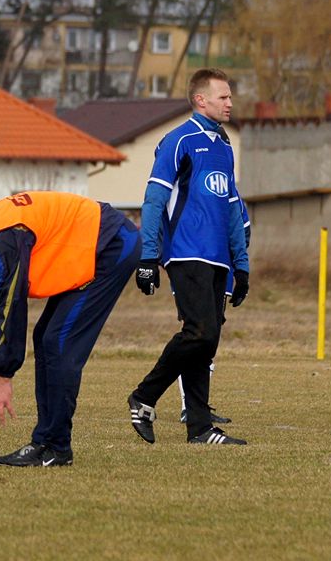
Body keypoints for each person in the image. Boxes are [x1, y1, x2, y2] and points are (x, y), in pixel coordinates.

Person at [0, 191, 141, 466]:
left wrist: (5, 376)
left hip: (112, 243)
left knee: (58, 343)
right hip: (90, 245)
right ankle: (44, 443)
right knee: (45, 338)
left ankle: (56, 448)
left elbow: (14, 302)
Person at [128, 68, 249, 446]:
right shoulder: (177, 140)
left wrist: (241, 265)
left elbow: (232, 209)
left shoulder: (224, 147)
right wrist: (148, 257)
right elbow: (154, 201)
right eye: (223, 97)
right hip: (185, 253)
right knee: (199, 332)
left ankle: (200, 428)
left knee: (207, 342)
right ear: (201, 100)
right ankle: (144, 396)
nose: (230, 103)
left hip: (218, 259)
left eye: (230, 97)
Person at [177, 199, 250, 424]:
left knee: (207, 339)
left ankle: (197, 407)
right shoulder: (186, 194)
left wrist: (239, 268)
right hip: (192, 272)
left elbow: (243, 232)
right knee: (195, 335)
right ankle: (186, 406)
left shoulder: (231, 196)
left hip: (219, 276)